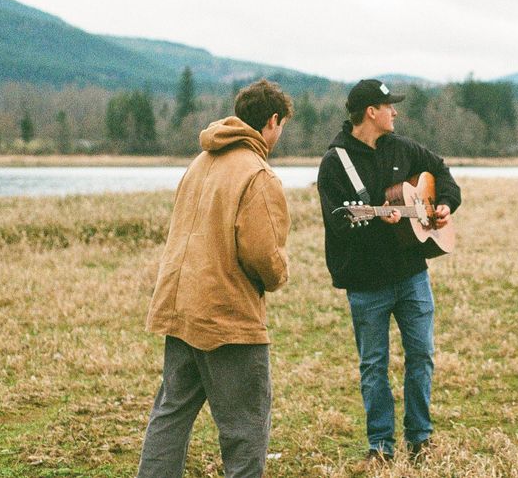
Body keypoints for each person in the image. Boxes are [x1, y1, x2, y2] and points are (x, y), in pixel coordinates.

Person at [136, 79, 292, 478]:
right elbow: (263, 255)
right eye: (282, 125)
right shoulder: (258, 174)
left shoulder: (200, 161)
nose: (280, 133)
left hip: (180, 308)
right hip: (227, 317)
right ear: (272, 121)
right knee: (244, 430)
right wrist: (281, 272)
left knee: (170, 415)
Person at [317, 79, 461, 464]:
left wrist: (444, 204)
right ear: (370, 112)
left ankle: (420, 439)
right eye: (389, 106)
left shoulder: (404, 148)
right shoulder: (336, 162)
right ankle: (380, 446)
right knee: (373, 365)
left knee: (422, 355)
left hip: (412, 273)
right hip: (367, 283)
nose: (395, 112)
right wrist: (381, 220)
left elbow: (442, 174)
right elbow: (339, 224)